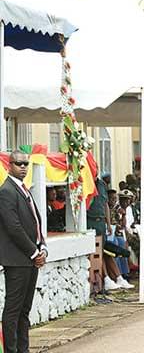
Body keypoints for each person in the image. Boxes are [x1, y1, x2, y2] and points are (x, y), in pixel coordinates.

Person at [0, 150, 48, 353]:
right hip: (17, 260)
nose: (23, 167)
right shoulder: (6, 191)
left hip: (30, 259)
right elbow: (14, 227)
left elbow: (35, 221)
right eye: (18, 163)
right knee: (13, 309)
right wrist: (33, 252)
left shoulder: (24, 189)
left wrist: (42, 246)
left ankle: (23, 349)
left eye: (26, 164)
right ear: (9, 165)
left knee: (24, 310)